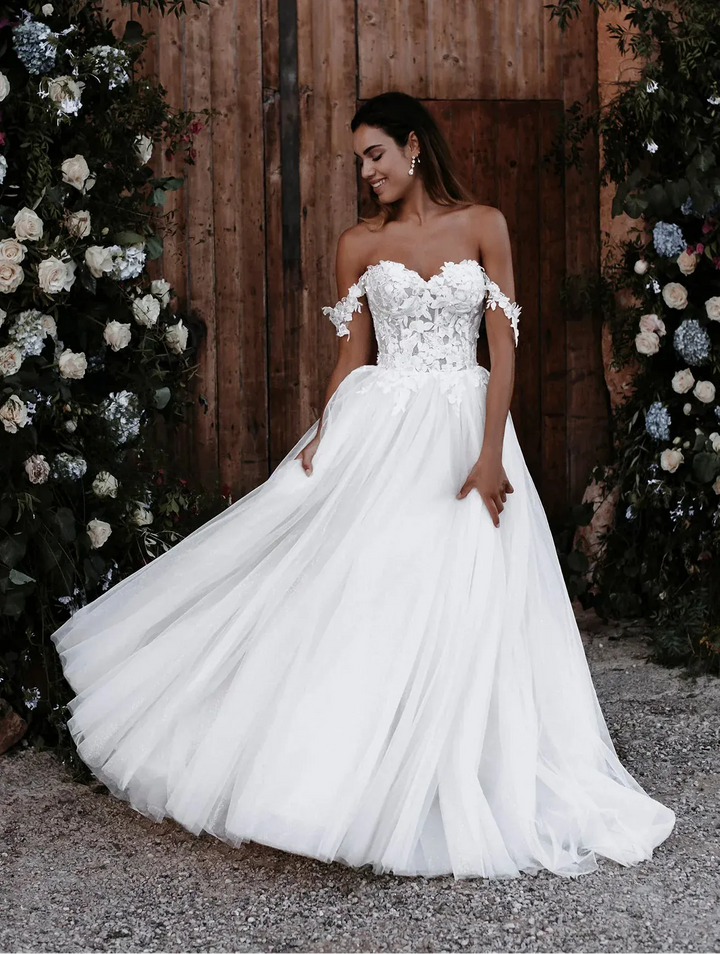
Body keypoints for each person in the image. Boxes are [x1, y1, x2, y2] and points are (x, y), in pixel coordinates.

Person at [51, 90, 675, 880]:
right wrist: (324, 434)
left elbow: (503, 349)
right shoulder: (357, 244)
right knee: (371, 581)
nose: (366, 172)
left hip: (465, 424)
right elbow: (353, 356)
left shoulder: (484, 224)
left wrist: (490, 454)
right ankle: (344, 772)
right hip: (382, 424)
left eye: (375, 154)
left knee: (468, 588)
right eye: (358, 161)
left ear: (414, 146)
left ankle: (449, 764)